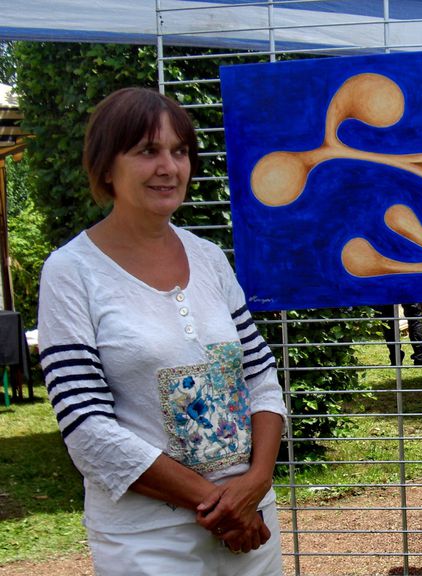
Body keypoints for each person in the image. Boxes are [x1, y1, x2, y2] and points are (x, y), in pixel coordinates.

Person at [37, 87, 286, 576]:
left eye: (179, 151)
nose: (168, 167)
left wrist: (255, 482)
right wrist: (221, 505)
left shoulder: (209, 259)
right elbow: (86, 427)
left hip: (252, 518)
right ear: (106, 166)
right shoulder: (72, 272)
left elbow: (260, 379)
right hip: (148, 538)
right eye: (147, 151)